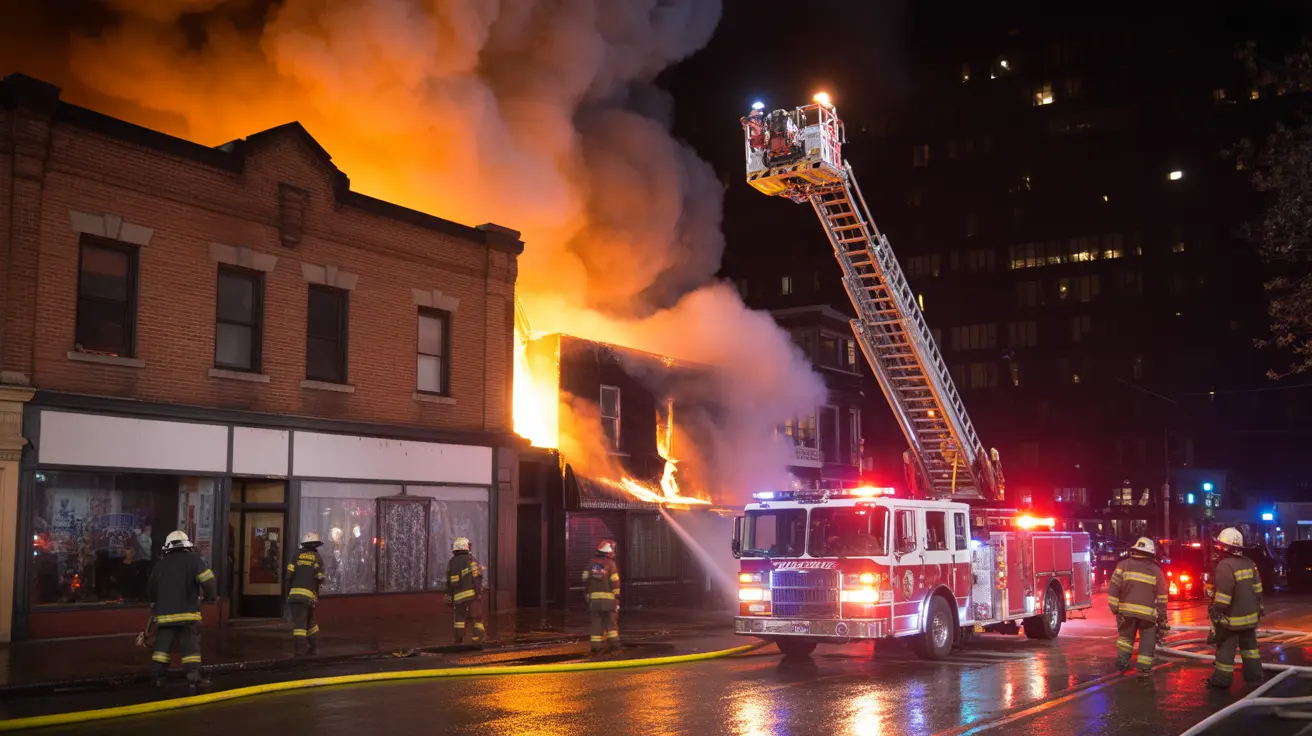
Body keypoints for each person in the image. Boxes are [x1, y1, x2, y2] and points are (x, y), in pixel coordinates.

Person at [147, 530, 216, 693]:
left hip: (164, 616)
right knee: (190, 647)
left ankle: (158, 678)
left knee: (162, 648)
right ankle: (193, 679)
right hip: (187, 615)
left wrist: (154, 607)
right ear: (186, 544)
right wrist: (210, 598)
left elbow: (151, 588)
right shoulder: (194, 560)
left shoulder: (160, 564)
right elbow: (208, 581)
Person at [1208, 527, 1265, 688]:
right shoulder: (1250, 563)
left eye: (1219, 545)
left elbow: (1224, 597)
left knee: (1225, 650)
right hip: (1250, 618)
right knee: (1250, 649)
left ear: (1224, 547)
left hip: (1231, 621)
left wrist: (1217, 611)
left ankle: (1222, 680)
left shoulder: (1225, 566)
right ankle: (1254, 676)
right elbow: (1258, 590)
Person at [1107, 536, 1168, 675]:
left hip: (1126, 613)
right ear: (1151, 553)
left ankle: (1122, 662)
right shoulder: (1156, 570)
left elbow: (1113, 588)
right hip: (1148, 616)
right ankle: (1144, 669)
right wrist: (1162, 617)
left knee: (1125, 639)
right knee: (1147, 641)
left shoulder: (1123, 565)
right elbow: (1162, 596)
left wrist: (1115, 608)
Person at [285, 531, 326, 656]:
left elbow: (288, 576)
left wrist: (288, 594)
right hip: (309, 597)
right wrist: (315, 594)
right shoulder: (317, 557)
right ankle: (314, 647)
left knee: (300, 625)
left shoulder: (296, 555)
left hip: (295, 596)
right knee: (310, 622)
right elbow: (320, 578)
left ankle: (300, 651)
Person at [582, 540, 622, 654]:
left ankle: (595, 646)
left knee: (596, 623)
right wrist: (617, 598)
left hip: (594, 601)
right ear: (609, 552)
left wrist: (587, 594)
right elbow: (615, 582)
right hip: (609, 601)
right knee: (611, 623)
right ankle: (615, 645)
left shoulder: (591, 564)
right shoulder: (611, 564)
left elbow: (585, 579)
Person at [446, 537, 486, 646]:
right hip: (471, 595)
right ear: (465, 546)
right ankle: (477, 640)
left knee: (459, 620)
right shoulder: (470, 559)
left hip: (458, 598)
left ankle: (458, 639)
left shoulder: (451, 562)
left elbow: (449, 582)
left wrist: (450, 597)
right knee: (477, 617)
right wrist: (478, 593)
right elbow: (476, 576)